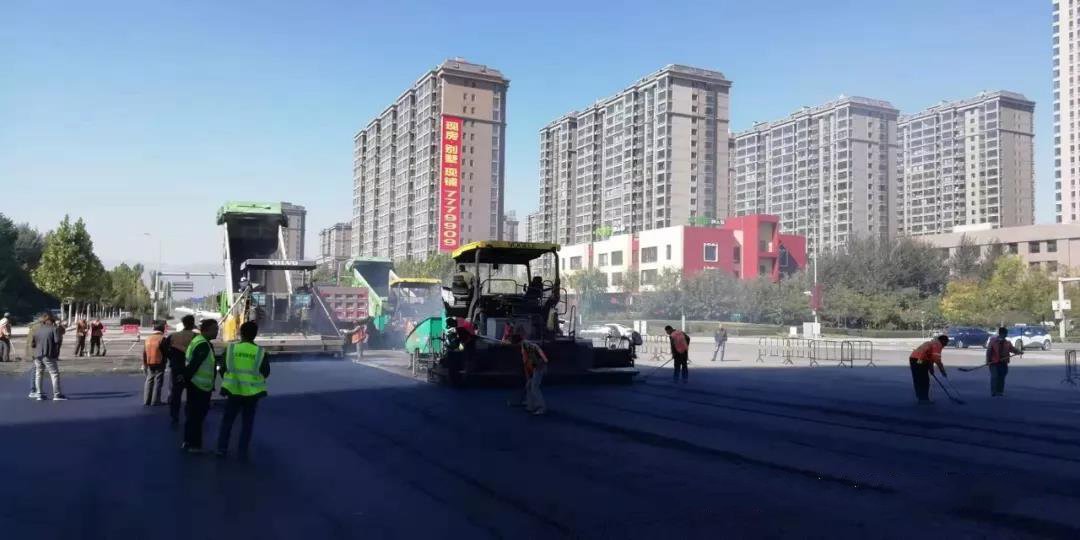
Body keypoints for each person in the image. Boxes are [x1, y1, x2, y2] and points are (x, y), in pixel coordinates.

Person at [216, 321, 270, 460]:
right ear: (255, 335)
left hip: (233, 391)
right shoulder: (260, 352)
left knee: (227, 421)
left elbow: (222, 368)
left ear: (241, 333)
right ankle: (242, 451)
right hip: (251, 393)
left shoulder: (231, 349)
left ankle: (221, 449)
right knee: (247, 423)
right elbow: (265, 372)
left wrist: (230, 380)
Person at [182, 319, 219, 453]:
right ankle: (194, 445)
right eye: (215, 329)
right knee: (197, 416)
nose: (217, 331)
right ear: (207, 330)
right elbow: (194, 365)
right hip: (199, 386)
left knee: (192, 416)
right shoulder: (203, 345)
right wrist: (187, 380)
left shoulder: (199, 341)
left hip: (197, 384)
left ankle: (188, 441)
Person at [164, 315, 197, 427]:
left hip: (177, 367)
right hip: (191, 368)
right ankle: (190, 415)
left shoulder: (173, 336)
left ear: (183, 323)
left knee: (176, 393)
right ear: (193, 323)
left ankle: (174, 416)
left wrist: (171, 357)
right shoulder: (196, 337)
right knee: (192, 394)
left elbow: (163, 347)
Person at [29, 313, 66, 401]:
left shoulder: (37, 330)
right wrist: (56, 354)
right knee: (54, 374)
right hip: (48, 354)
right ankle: (57, 394)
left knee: (39, 374)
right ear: (51, 321)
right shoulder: (54, 329)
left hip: (37, 354)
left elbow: (33, 344)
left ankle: (39, 394)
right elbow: (57, 342)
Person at [511, 333, 548, 415]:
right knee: (529, 386)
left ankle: (541, 407)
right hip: (536, 366)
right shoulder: (525, 345)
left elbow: (532, 360)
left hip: (539, 366)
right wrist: (529, 377)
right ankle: (530, 404)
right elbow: (528, 363)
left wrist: (543, 362)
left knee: (534, 387)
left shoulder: (525, 346)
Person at [909, 335, 950, 404]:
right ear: (943, 341)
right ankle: (924, 399)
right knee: (923, 380)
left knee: (919, 379)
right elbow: (937, 360)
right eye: (946, 342)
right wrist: (943, 372)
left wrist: (931, 369)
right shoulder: (938, 345)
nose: (946, 344)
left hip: (914, 358)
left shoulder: (932, 343)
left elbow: (931, 358)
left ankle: (921, 398)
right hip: (919, 360)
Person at [986, 327, 1022, 397]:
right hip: (994, 363)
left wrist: (1018, 351)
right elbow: (989, 351)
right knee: (994, 376)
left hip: (1003, 363)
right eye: (1005, 334)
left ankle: (1000, 391)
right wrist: (988, 360)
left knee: (1002, 377)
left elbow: (1012, 349)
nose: (1006, 335)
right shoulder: (993, 341)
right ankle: (993, 391)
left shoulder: (1007, 343)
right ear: (1001, 334)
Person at [142, 322, 168, 406]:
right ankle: (155, 400)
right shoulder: (162, 338)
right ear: (162, 330)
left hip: (149, 361)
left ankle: (147, 400)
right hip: (159, 361)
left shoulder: (148, 338)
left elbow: (144, 352)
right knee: (158, 381)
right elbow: (166, 351)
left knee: (149, 380)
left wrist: (145, 363)